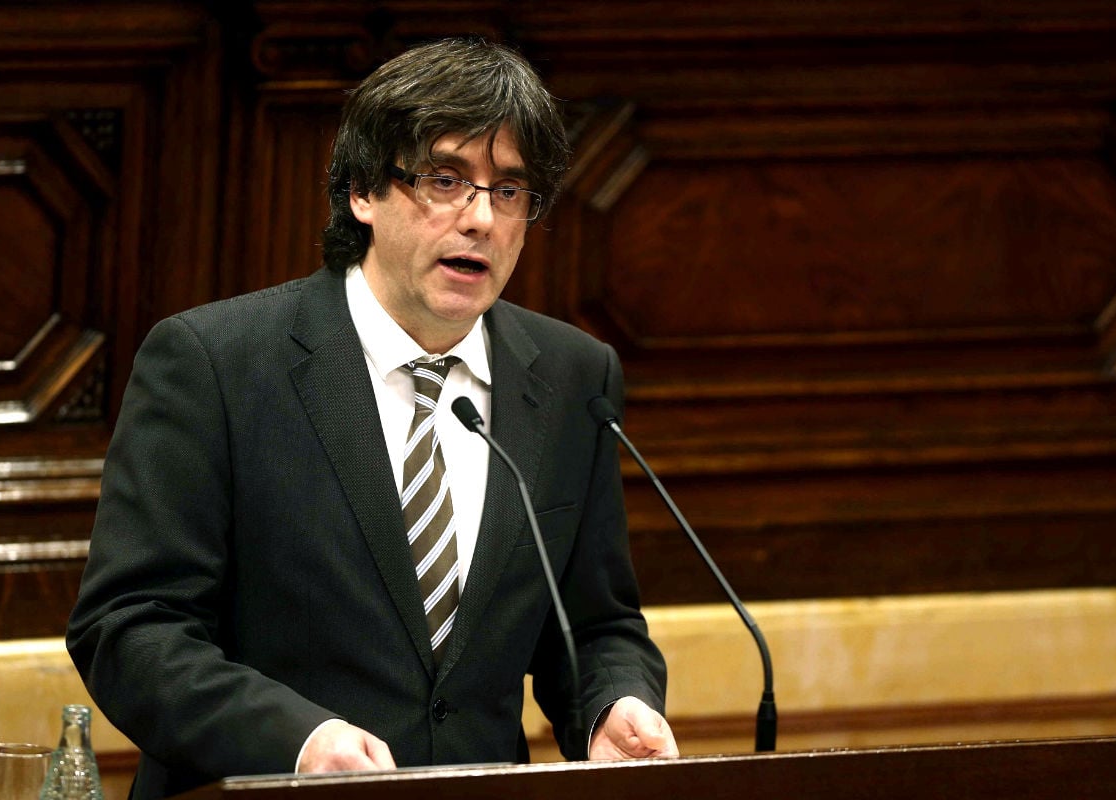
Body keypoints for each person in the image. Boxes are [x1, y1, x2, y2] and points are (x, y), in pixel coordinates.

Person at [66, 36, 678, 799]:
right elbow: (129, 627)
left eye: (509, 191)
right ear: (362, 191)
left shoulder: (571, 377)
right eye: (445, 179)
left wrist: (612, 703)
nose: (480, 218)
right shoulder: (214, 362)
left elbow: (592, 623)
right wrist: (298, 740)